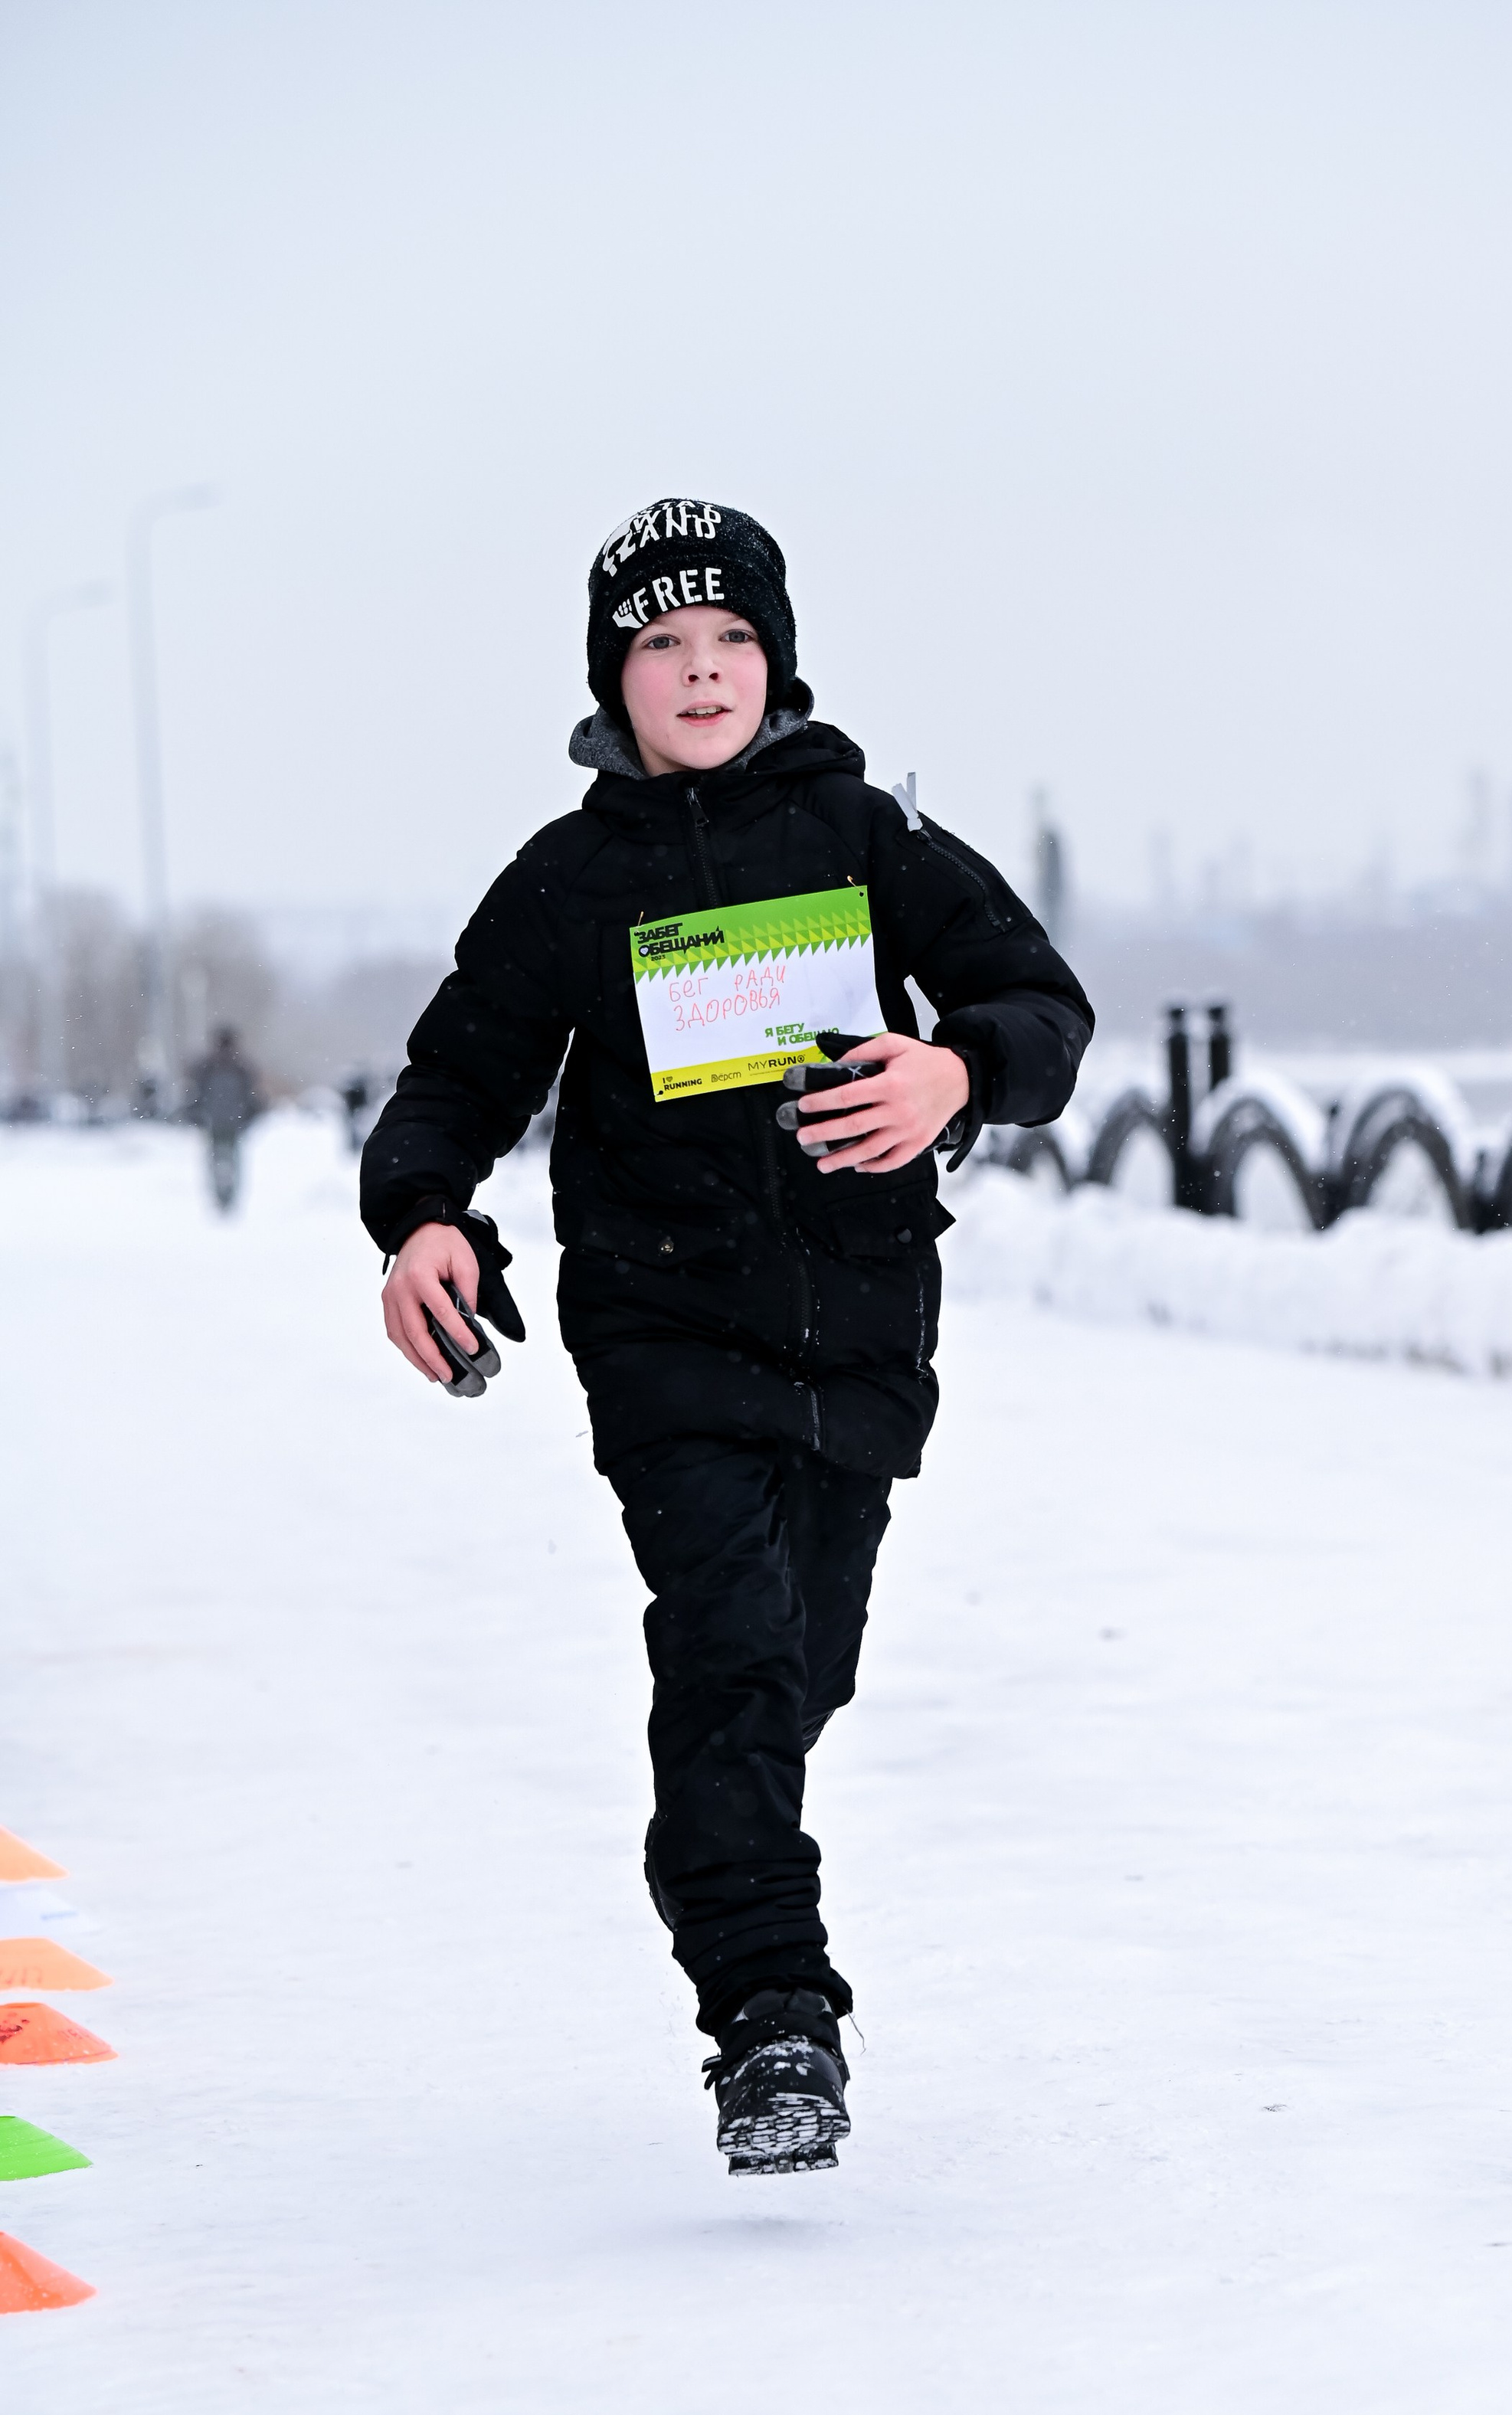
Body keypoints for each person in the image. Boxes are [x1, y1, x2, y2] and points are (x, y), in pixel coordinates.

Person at [359, 499, 1092, 2174]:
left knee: (790, 1670)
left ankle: (719, 1840)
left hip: (856, 1332)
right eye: (661, 648)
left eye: (729, 645)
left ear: (775, 660)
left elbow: (1039, 1004)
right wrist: (420, 1218)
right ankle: (773, 2022)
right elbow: (454, 1082)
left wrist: (954, 1072)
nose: (698, 676)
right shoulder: (567, 881)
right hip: (662, 1323)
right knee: (731, 1653)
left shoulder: (863, 834)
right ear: (610, 681)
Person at [187, 1024, 263, 1212]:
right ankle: (227, 1197)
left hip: (217, 1122)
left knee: (217, 1160)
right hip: (231, 1123)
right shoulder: (241, 1068)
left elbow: (196, 1095)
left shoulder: (208, 1067)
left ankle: (221, 1197)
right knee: (230, 1160)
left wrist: (196, 1115)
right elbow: (252, 1098)